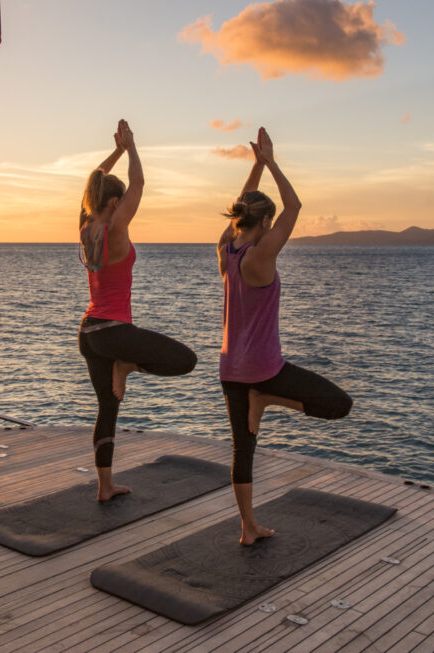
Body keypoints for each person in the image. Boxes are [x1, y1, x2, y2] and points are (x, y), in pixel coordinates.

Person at [217, 127, 353, 545]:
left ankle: (248, 528)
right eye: (270, 221)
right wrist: (271, 161)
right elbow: (295, 205)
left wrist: (255, 166)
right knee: (339, 405)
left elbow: (246, 205)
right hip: (263, 370)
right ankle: (269, 396)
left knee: (243, 450)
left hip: (229, 370)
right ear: (264, 222)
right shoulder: (260, 257)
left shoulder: (226, 248)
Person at [78, 119, 197, 502]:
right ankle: (126, 366)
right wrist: (131, 147)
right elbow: (140, 184)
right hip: (113, 331)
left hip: (89, 332)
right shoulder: (115, 223)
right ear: (114, 202)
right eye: (120, 198)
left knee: (107, 410)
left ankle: (105, 486)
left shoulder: (85, 224)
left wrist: (115, 151)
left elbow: (95, 179)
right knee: (185, 360)